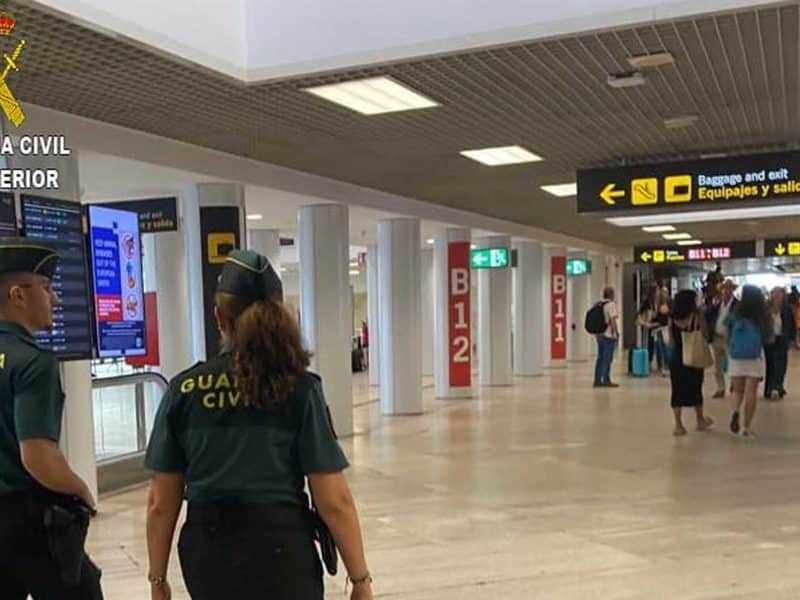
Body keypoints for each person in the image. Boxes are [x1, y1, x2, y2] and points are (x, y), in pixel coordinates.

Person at [145, 250, 372, 600]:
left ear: (219, 317)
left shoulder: (183, 391)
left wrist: (157, 580)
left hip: (209, 554)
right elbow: (334, 499)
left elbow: (161, 503)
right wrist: (360, 579)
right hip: (281, 551)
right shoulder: (299, 388)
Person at [0, 239, 103, 598]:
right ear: (17, 295)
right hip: (27, 520)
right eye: (45, 288)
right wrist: (81, 490)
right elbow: (37, 455)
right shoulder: (32, 362)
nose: (55, 299)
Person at [727, 284, 773, 437]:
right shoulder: (762, 315)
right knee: (751, 392)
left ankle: (735, 411)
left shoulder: (736, 312)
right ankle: (746, 427)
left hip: (736, 356)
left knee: (737, 390)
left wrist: (730, 346)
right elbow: (769, 338)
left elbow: (725, 328)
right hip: (754, 356)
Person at [669, 289, 714, 436]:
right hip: (694, 357)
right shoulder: (696, 316)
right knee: (696, 388)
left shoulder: (672, 318)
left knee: (677, 390)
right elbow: (706, 335)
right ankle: (700, 419)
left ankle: (678, 425)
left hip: (677, 357)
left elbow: (671, 341)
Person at [706, 279, 738, 399]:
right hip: (717, 337)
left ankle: (734, 385)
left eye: (729, 288)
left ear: (733, 290)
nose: (726, 291)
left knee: (732, 363)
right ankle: (720, 387)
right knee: (717, 365)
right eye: (724, 288)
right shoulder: (717, 305)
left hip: (730, 338)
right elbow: (708, 315)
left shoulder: (737, 305)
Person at [764, 286, 796, 399]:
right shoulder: (766, 307)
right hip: (769, 339)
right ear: (771, 294)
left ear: (783, 295)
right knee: (770, 364)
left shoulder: (787, 308)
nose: (777, 295)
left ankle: (777, 387)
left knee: (780, 364)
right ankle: (769, 388)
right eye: (775, 293)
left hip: (782, 339)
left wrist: (792, 339)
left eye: (779, 293)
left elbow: (792, 324)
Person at [593, 286, 619, 388]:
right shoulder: (611, 305)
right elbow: (612, 320)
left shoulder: (598, 304)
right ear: (612, 295)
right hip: (608, 335)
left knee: (600, 357)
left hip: (599, 334)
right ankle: (606, 379)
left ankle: (597, 379)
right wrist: (616, 332)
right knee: (607, 358)